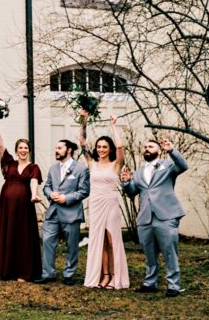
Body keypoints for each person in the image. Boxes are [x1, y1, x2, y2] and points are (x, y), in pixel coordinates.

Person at [122, 138, 188, 296]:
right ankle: (150, 283)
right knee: (149, 253)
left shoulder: (168, 165)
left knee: (169, 252)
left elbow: (183, 166)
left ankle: (173, 286)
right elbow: (132, 192)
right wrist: (126, 183)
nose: (146, 148)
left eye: (150, 146)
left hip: (166, 215)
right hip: (145, 217)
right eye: (145, 146)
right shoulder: (138, 172)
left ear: (159, 151)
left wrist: (171, 150)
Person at [79, 112, 129, 289]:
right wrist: (84, 122)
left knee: (111, 238)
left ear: (109, 149)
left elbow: (121, 147)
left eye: (105, 147)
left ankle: (116, 276)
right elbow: (82, 144)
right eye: (99, 147)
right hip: (95, 203)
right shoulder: (92, 163)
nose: (101, 149)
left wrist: (114, 126)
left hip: (110, 202)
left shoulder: (116, 165)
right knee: (98, 240)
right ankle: (105, 275)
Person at [0, 121, 43, 281]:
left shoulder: (34, 167)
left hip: (24, 206)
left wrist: (34, 195)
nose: (23, 150)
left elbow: (33, 181)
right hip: (6, 206)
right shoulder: (9, 163)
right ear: (16, 150)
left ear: (29, 150)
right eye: (20, 148)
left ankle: (23, 272)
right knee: (7, 233)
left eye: (26, 148)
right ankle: (5, 270)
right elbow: (0, 144)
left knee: (23, 237)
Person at [35, 140, 91, 285]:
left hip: (71, 213)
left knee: (72, 245)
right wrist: (50, 193)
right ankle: (48, 274)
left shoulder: (81, 169)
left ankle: (68, 274)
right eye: (56, 148)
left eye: (59, 148)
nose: (56, 150)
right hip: (53, 212)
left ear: (69, 150)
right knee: (47, 241)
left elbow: (84, 191)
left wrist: (66, 198)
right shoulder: (53, 168)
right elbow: (46, 186)